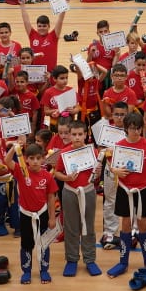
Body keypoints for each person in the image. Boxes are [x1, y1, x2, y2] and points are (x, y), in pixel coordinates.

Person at [52, 118, 101, 277]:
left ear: (86, 135)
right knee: (71, 227)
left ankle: (90, 259)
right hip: (70, 191)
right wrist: (67, 178)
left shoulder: (92, 152)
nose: (77, 137)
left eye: (80, 134)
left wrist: (98, 173)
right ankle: (72, 260)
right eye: (74, 134)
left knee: (88, 226)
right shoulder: (64, 153)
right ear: (69, 136)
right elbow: (57, 173)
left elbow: (95, 176)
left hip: (87, 191)